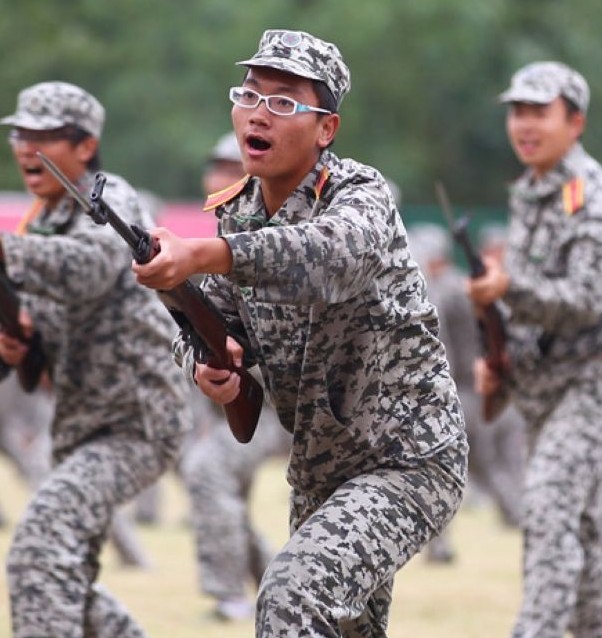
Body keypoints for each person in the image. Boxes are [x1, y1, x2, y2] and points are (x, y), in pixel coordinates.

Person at [133, 29, 468, 636]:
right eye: (250, 95)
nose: (259, 114)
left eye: (284, 102)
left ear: (326, 129)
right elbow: (206, 323)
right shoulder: (237, 212)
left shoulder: (359, 195)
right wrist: (210, 366)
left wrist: (208, 253)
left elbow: (329, 256)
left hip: (408, 461)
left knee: (292, 594)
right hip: (319, 470)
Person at [0, 81, 192, 637]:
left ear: (85, 147)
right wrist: (16, 346)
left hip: (135, 423)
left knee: (38, 547)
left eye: (43, 136)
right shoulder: (40, 225)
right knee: (66, 582)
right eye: (20, 134)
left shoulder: (110, 200)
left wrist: (5, 251)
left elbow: (88, 270)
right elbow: (34, 342)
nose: (24, 146)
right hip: (79, 428)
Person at [467, 62, 602, 637]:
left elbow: (589, 298)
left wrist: (509, 288)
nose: (523, 124)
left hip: (586, 388)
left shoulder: (587, 195)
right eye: (516, 112)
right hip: (539, 393)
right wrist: (498, 358)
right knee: (585, 534)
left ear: (575, 122)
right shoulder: (530, 192)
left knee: (547, 514)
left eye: (537, 112)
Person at [176, 130, 292, 621]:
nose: (220, 177)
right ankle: (277, 590)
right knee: (229, 501)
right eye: (216, 167)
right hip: (226, 405)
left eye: (230, 168)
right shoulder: (211, 240)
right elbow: (192, 337)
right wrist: (199, 370)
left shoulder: (277, 234)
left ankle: (229, 595)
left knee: (208, 471)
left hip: (273, 404)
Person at [408, 223, 524, 565]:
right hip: (461, 391)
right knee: (462, 467)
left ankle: (515, 514)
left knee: (470, 466)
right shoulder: (454, 286)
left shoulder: (449, 290)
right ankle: (511, 515)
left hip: (464, 392)